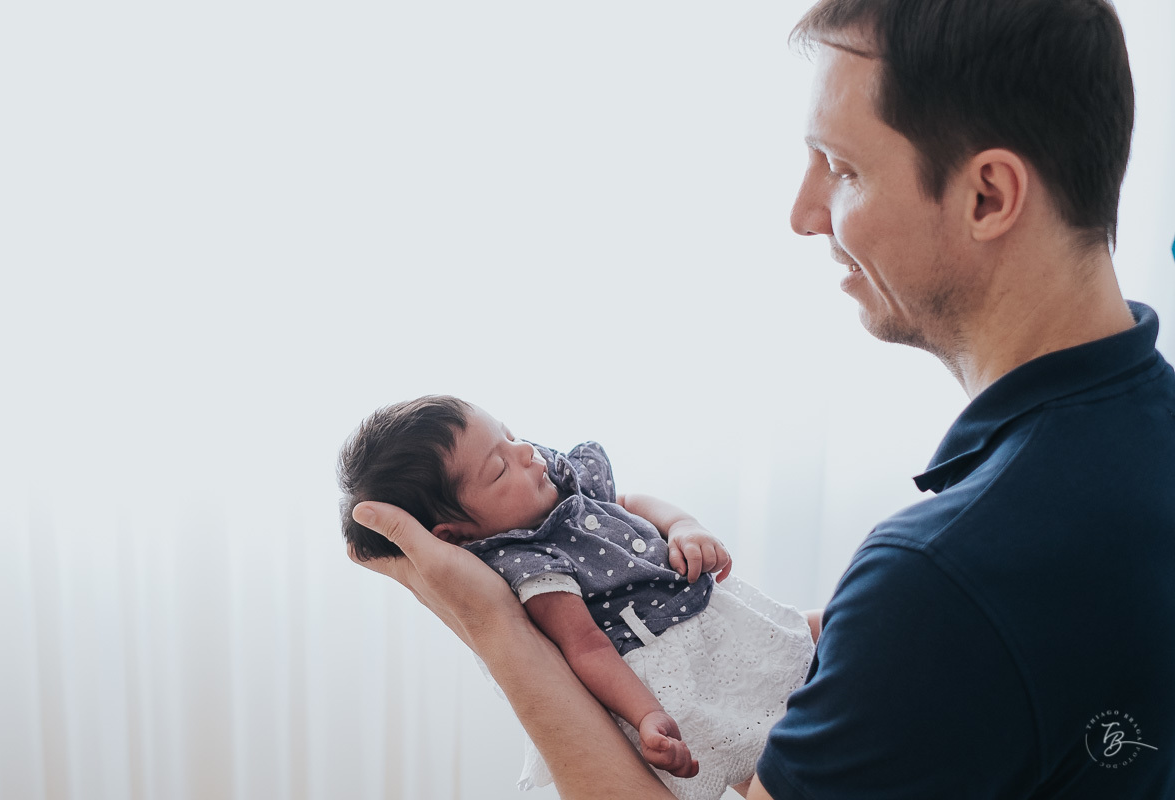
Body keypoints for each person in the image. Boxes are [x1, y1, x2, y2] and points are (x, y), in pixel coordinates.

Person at [347, 0, 1175, 797]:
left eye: (842, 168)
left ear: (987, 196)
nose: (804, 213)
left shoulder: (941, 580)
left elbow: (947, 630)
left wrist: (498, 632)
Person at [337, 396, 816, 800]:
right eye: (500, 467)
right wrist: (647, 715)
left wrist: (684, 526)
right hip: (671, 669)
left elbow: (626, 504)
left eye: (510, 434)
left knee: (803, 652)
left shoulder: (561, 484)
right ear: (455, 535)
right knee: (762, 759)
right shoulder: (532, 566)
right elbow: (586, 646)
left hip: (714, 616)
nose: (525, 451)